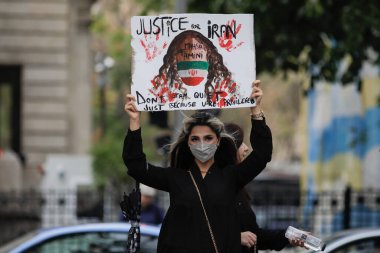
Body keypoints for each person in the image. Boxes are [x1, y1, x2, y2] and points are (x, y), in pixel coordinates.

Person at [123, 80, 272, 252]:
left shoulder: (231, 176)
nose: (202, 144)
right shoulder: (176, 177)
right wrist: (134, 121)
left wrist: (256, 110)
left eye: (208, 138)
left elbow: (262, 155)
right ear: (188, 143)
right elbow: (137, 167)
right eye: (195, 139)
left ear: (218, 141)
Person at [224, 122, 305, 252]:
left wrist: (288, 236)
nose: (245, 148)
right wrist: (235, 238)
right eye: (239, 143)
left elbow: (255, 237)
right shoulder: (213, 187)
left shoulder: (238, 190)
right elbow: (197, 234)